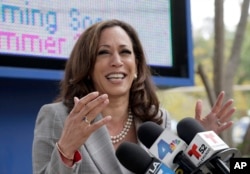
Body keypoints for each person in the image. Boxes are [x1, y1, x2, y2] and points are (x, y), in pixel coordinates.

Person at [32, 19, 235, 174]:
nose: (117, 61)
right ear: (87, 66)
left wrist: (199, 151)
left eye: (125, 52)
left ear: (137, 66)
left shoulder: (156, 119)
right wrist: (66, 151)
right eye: (103, 52)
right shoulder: (58, 116)